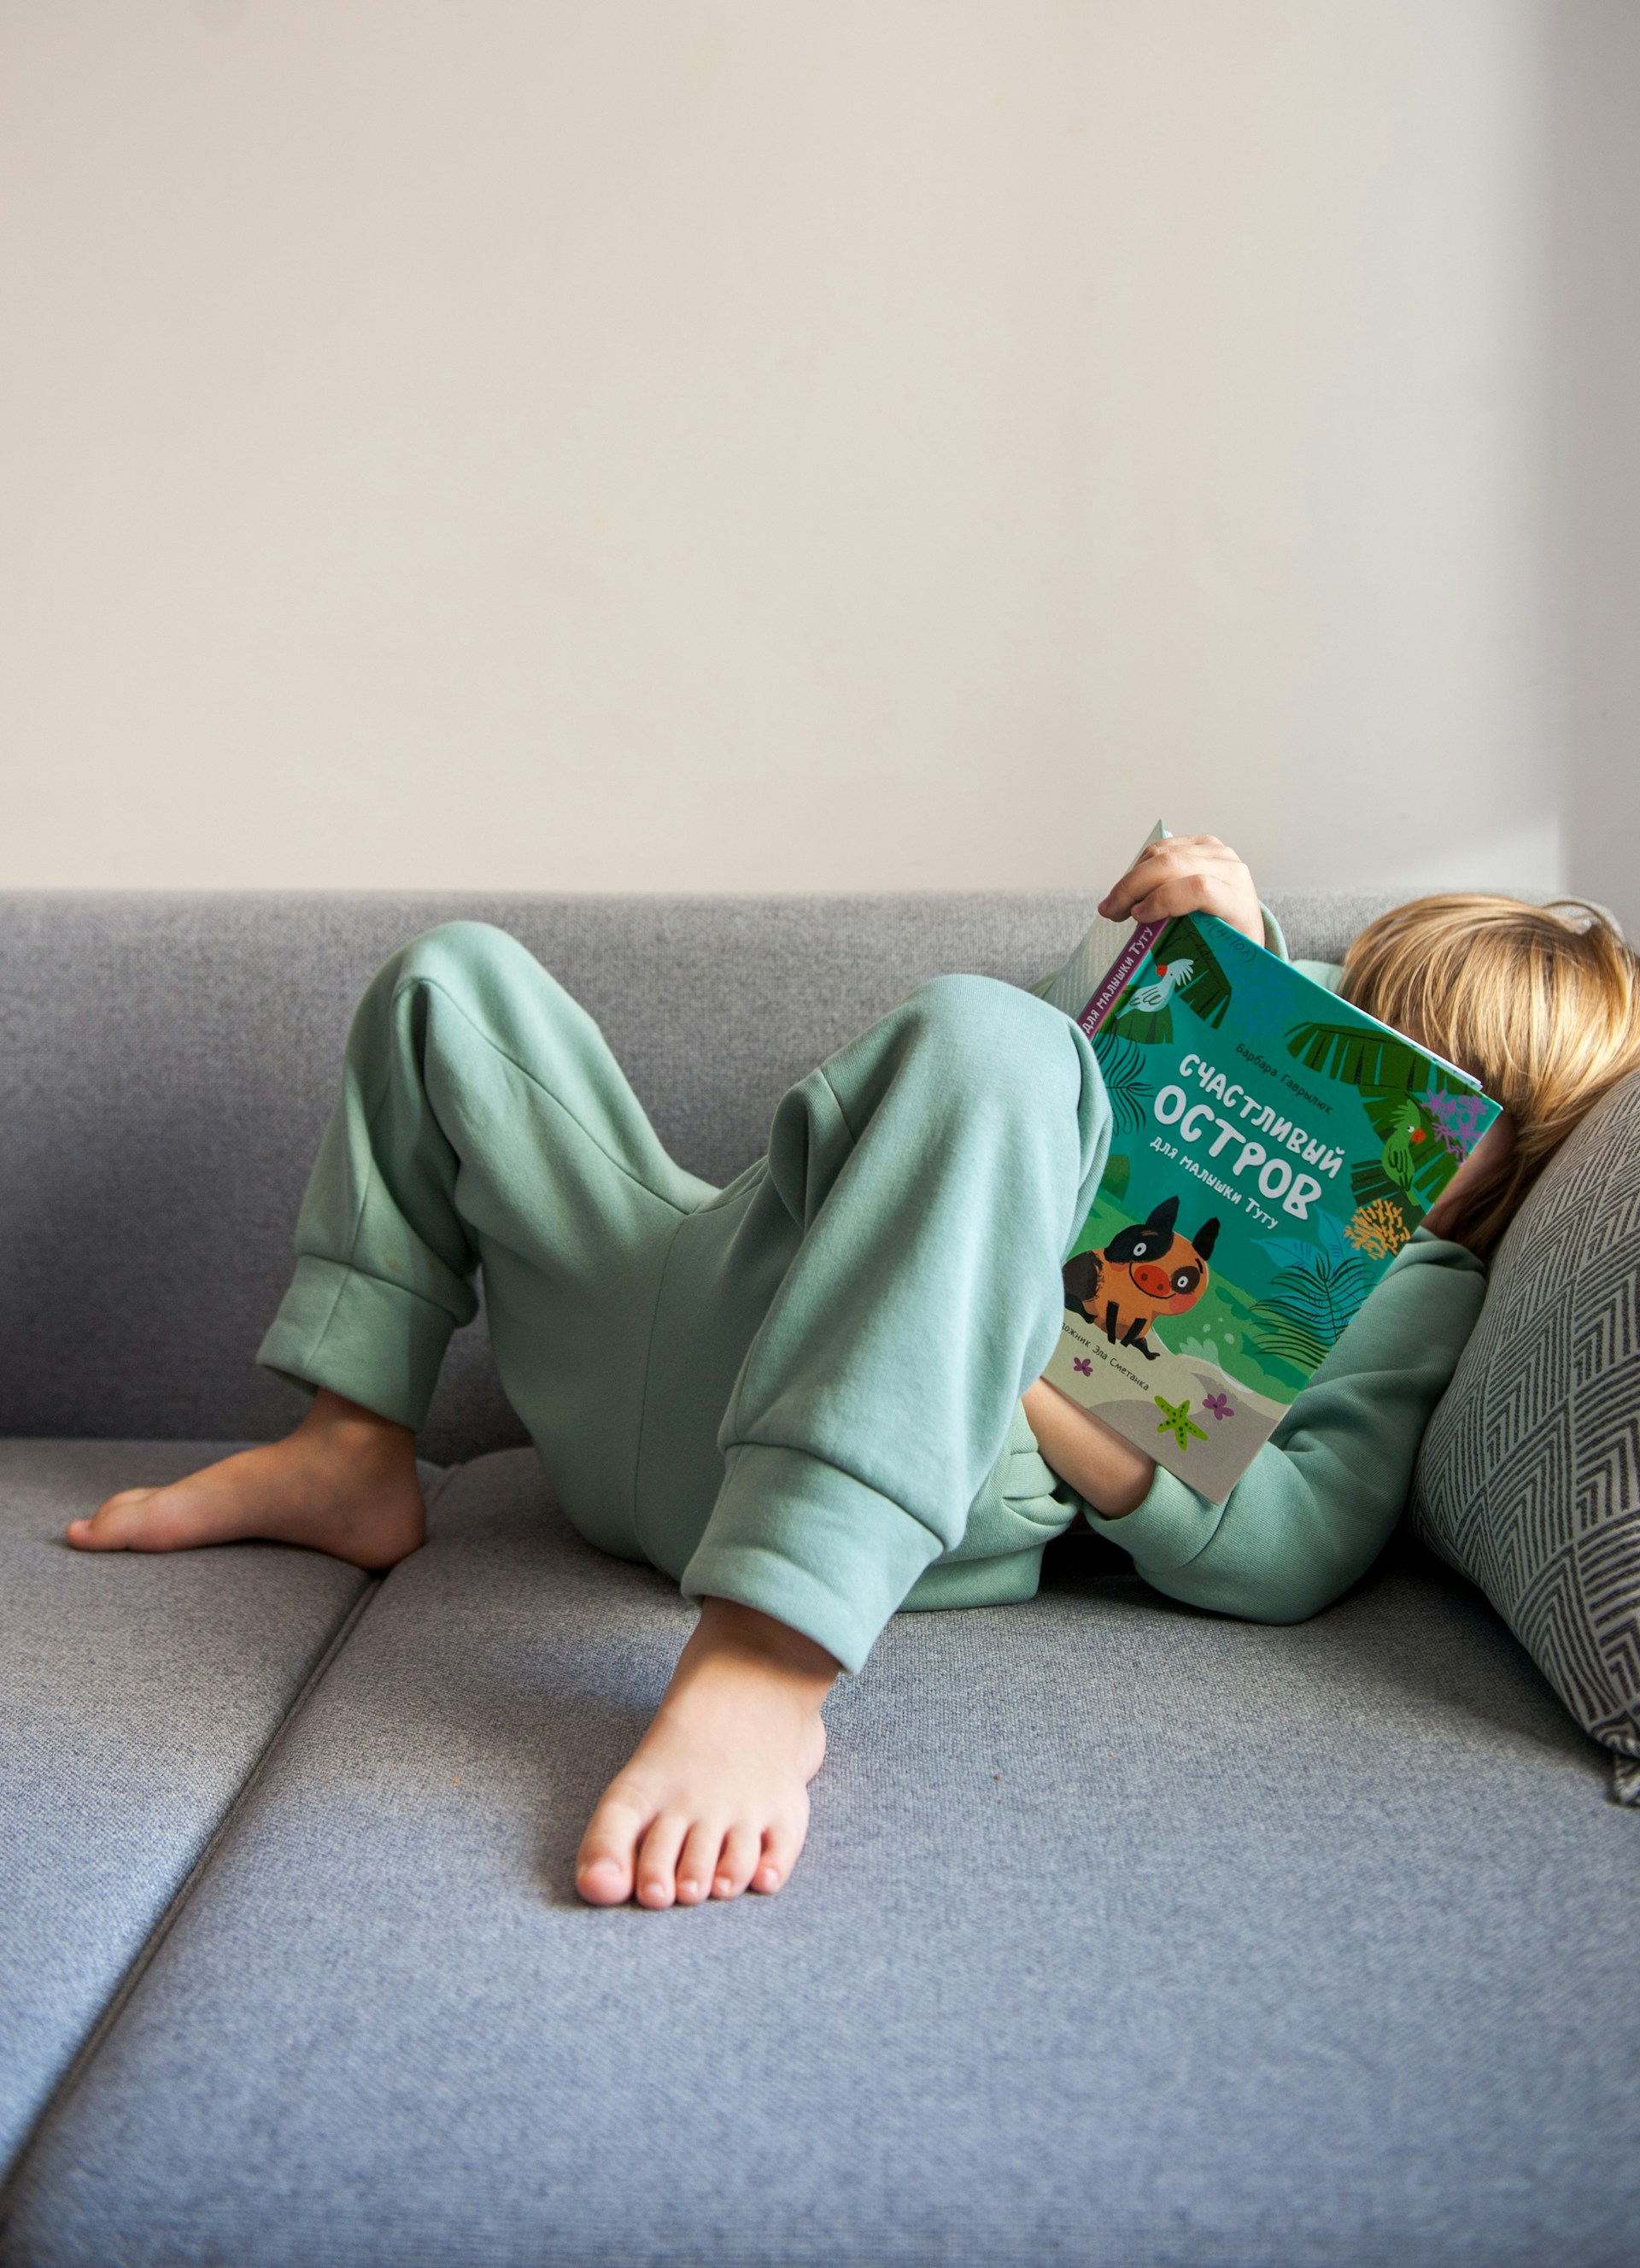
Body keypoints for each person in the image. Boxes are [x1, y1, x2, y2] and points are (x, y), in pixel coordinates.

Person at [65, 840, 1640, 1910]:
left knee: (990, 1038)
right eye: (1363, 1031)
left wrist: (1034, 1379)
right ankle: (350, 1447)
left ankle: (769, 1656)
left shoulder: (1420, 1291)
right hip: (689, 1302)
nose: (1382, 1094)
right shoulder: (1114, 1058)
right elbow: (986, 1109)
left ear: (1510, 1164)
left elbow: (1298, 1546)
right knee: (453, 980)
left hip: (901, 1472)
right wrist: (1200, 974)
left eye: (1446, 1100)